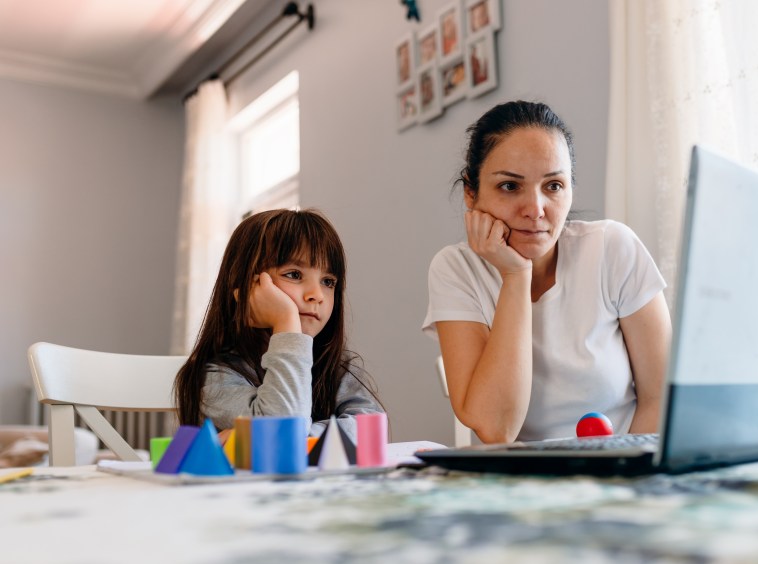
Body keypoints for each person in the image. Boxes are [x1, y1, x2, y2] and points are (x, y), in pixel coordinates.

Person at [422, 101, 672, 444]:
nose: (535, 210)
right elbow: (496, 428)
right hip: (521, 487)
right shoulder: (456, 269)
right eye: (510, 186)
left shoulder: (613, 248)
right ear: (471, 192)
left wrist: (622, 481)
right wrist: (516, 275)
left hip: (623, 471)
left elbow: (661, 399)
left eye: (553, 186)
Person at [175, 208, 382, 443]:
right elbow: (285, 429)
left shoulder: (337, 366)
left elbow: (371, 431)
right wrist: (286, 320)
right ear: (248, 286)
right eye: (294, 274)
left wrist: (297, 437)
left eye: (328, 281)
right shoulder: (215, 377)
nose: (317, 294)